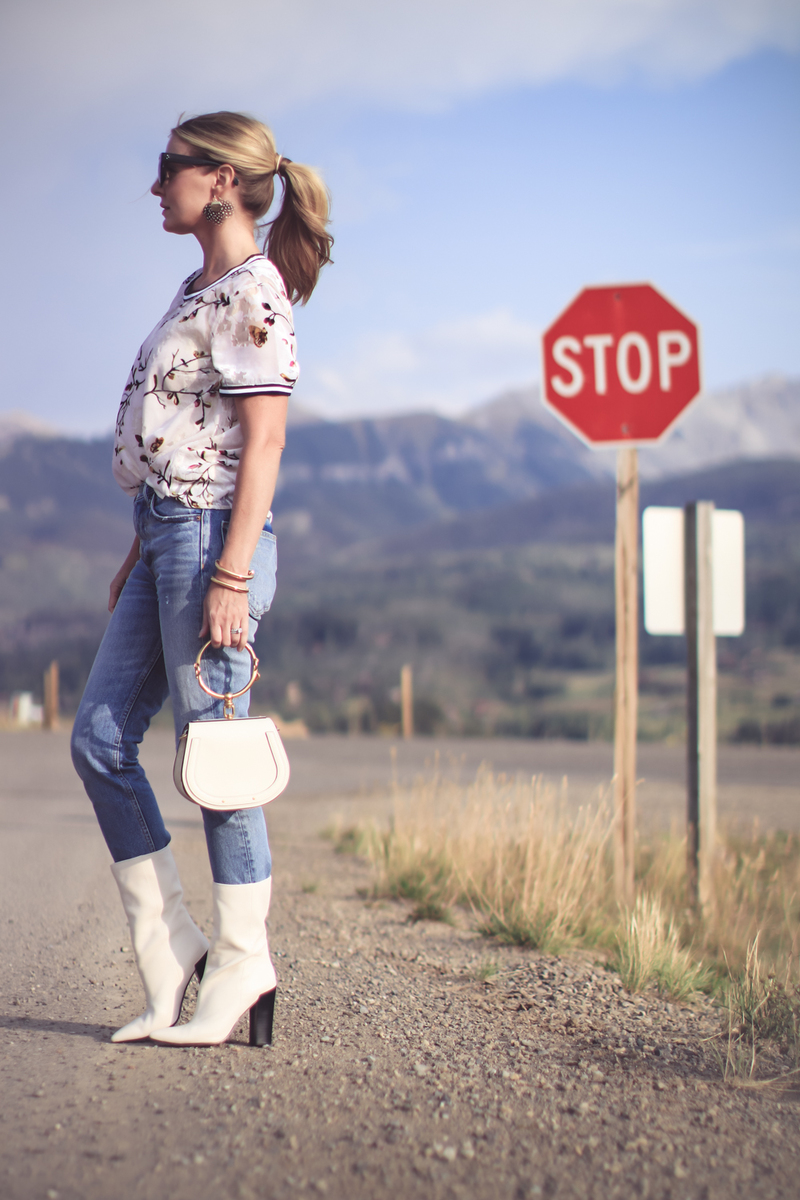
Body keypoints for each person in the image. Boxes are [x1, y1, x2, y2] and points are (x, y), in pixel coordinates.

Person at [70, 111, 332, 1047]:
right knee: (99, 739)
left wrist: (227, 571)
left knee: (216, 759)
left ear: (219, 178)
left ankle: (244, 958)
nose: (156, 185)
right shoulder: (199, 285)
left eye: (168, 169)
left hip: (213, 541)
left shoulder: (254, 292)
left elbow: (263, 443)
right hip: (166, 536)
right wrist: (143, 546)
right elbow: (193, 437)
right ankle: (172, 944)